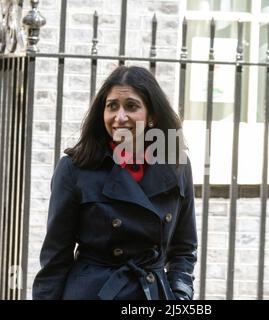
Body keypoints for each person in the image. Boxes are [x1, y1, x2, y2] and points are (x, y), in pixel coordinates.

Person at [32, 65, 198, 300]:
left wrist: (180, 294)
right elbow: (55, 258)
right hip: (94, 292)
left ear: (151, 116)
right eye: (112, 106)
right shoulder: (75, 168)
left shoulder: (176, 165)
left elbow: (184, 248)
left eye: (131, 106)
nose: (120, 117)